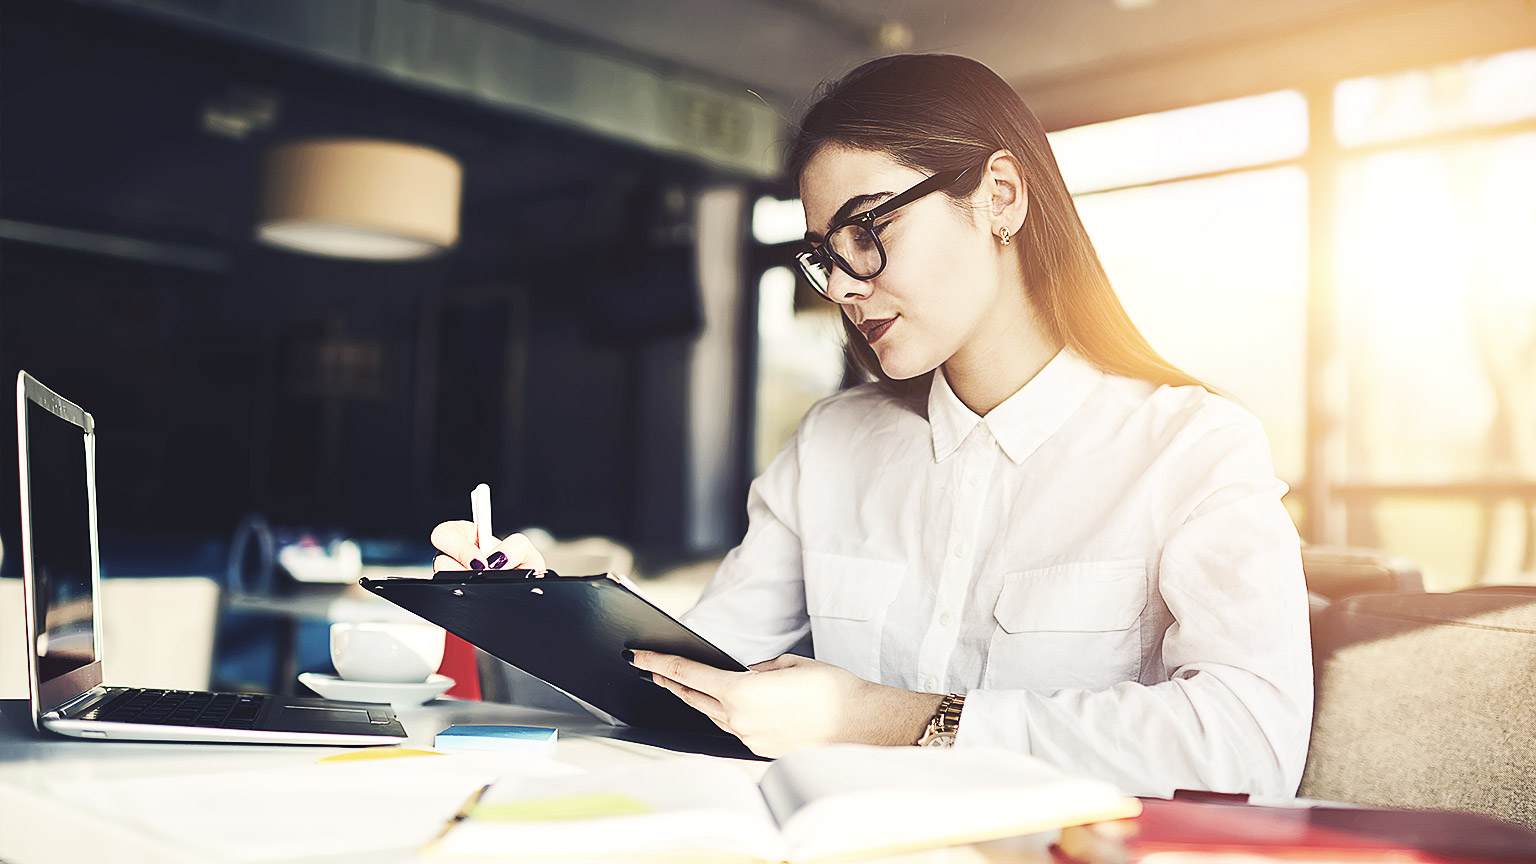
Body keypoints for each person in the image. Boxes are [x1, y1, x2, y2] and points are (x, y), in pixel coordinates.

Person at [431, 54, 1312, 798]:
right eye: (824, 253)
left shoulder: (1192, 449)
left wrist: (878, 719)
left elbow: (1251, 743)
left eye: (869, 230)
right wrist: (541, 609)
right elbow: (700, 674)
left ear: (1000, 196)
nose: (845, 287)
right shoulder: (833, 447)